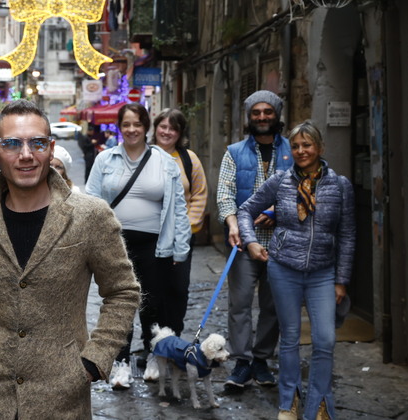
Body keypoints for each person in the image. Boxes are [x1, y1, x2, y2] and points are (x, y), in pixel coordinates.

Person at [0, 100, 140, 419]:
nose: (26, 155)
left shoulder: (89, 216)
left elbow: (123, 291)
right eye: (12, 144)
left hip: (59, 395)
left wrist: (97, 358)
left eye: (36, 143)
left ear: (50, 149)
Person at [237, 120, 355, 420]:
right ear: (291, 150)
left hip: (323, 272)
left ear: (320, 147)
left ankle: (320, 404)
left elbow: (347, 235)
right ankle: (288, 401)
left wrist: (341, 280)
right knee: (289, 338)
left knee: (325, 339)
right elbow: (246, 210)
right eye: (297, 146)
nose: (302, 151)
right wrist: (250, 242)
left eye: (308, 144)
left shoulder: (340, 186)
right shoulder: (280, 181)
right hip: (284, 267)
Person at [85, 102, 190, 388]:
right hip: (114, 244)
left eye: (137, 124)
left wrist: (181, 247)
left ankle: (154, 354)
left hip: (155, 245)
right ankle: (120, 362)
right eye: (126, 124)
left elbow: (179, 207)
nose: (132, 129)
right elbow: (91, 201)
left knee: (152, 304)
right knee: (119, 304)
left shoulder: (164, 162)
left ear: (147, 128)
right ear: (119, 128)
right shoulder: (105, 159)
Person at [216, 90, 292, 390]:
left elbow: (304, 190)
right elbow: (224, 194)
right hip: (243, 243)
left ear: (276, 115)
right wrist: (233, 223)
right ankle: (242, 362)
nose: (262, 117)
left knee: (273, 305)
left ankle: (261, 360)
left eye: (267, 112)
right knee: (240, 303)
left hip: (283, 243)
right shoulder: (234, 152)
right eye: (256, 113)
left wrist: (277, 210)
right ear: (249, 117)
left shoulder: (293, 149)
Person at [151, 108, 208, 335]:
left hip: (180, 237)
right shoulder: (144, 156)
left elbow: (199, 195)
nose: (167, 132)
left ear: (180, 132)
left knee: (178, 289)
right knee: (151, 291)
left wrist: (188, 229)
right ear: (155, 128)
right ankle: (152, 341)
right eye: (163, 126)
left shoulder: (188, 159)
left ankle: (173, 336)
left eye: (173, 128)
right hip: (149, 237)